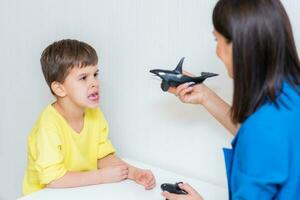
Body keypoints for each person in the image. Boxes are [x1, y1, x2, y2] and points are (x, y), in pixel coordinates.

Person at [162, 0, 300, 199]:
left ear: (239, 45)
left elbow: (259, 138)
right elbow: (270, 144)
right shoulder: (291, 94)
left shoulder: (260, 132)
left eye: (216, 40)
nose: (217, 51)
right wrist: (206, 96)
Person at [22, 39, 156, 195]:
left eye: (95, 74)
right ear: (59, 88)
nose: (94, 83)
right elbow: (53, 180)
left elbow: (102, 156)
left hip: (79, 191)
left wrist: (134, 173)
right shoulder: (48, 126)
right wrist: (100, 177)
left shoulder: (94, 113)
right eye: (83, 78)